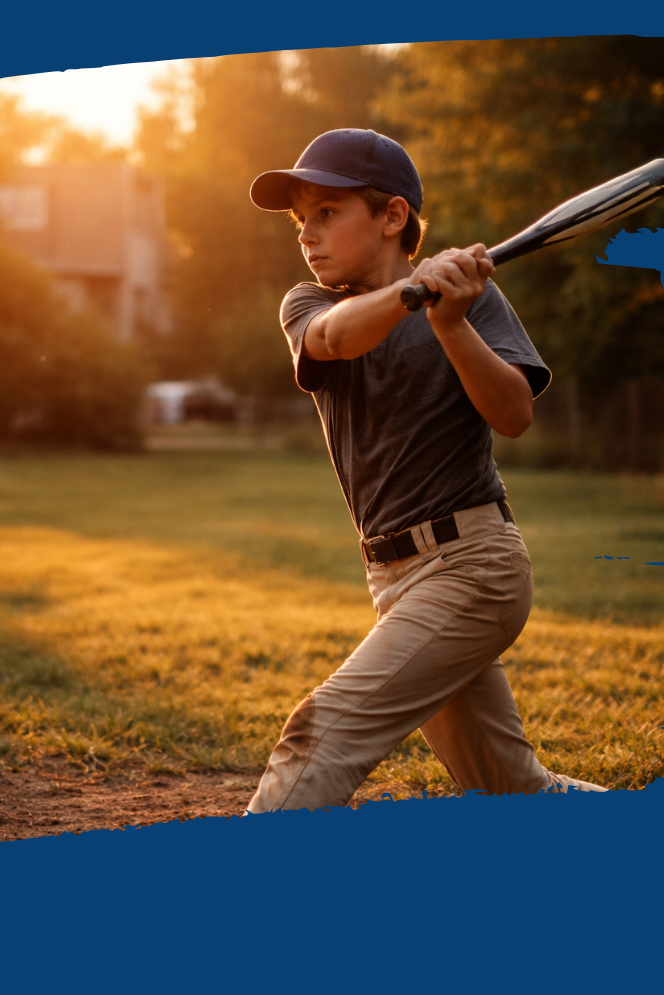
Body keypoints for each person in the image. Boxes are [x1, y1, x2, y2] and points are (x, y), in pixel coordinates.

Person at [242, 128, 602, 812]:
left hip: (475, 566)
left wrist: (451, 323)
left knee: (323, 732)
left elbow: (514, 415)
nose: (307, 234)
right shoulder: (309, 304)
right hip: (393, 580)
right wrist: (415, 290)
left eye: (327, 212)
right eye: (301, 220)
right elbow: (336, 339)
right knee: (512, 788)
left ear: (392, 216)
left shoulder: (470, 300)